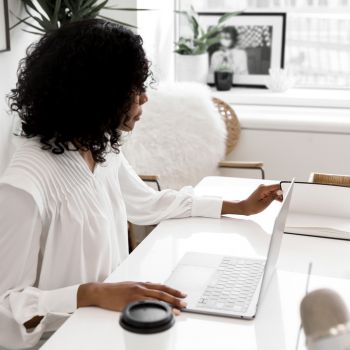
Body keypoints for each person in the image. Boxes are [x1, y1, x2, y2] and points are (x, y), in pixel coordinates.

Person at [0, 19, 282, 349]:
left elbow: (146, 203)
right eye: (134, 89)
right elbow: (5, 307)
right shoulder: (24, 185)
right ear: (98, 93)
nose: (145, 98)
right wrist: (90, 294)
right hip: (64, 340)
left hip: (110, 326)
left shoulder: (98, 147)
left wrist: (238, 206)